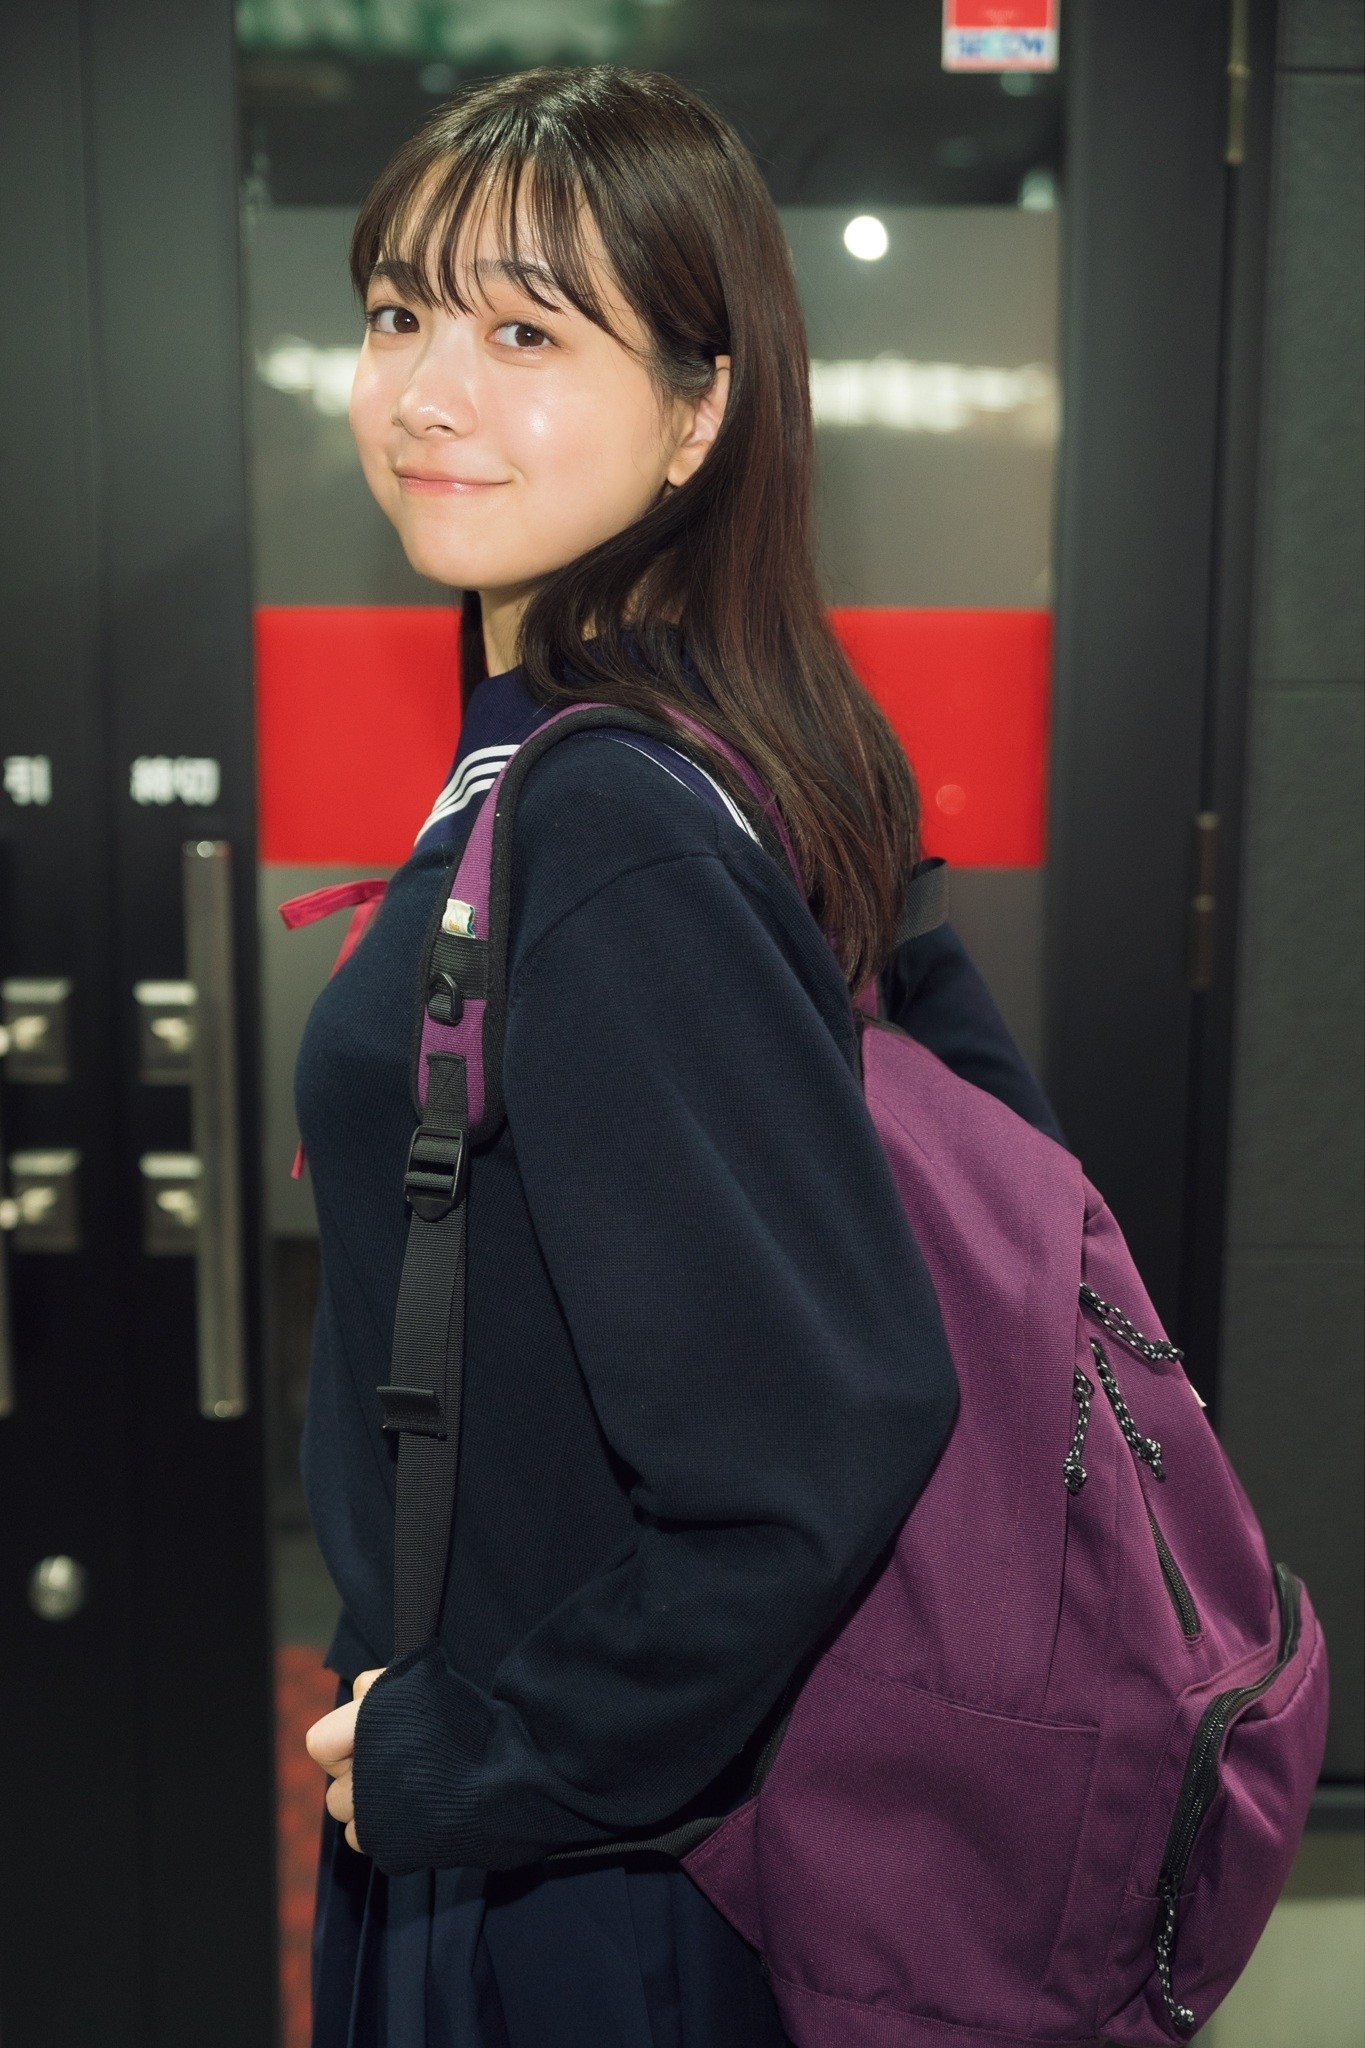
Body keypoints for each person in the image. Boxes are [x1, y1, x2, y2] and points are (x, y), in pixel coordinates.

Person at [300, 64, 1063, 2048]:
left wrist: (487, 1754)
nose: (426, 391)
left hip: (585, 1883)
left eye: (526, 334)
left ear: (698, 409)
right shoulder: (714, 743)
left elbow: (822, 1431)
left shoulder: (612, 818)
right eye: (399, 312)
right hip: (624, 1829)